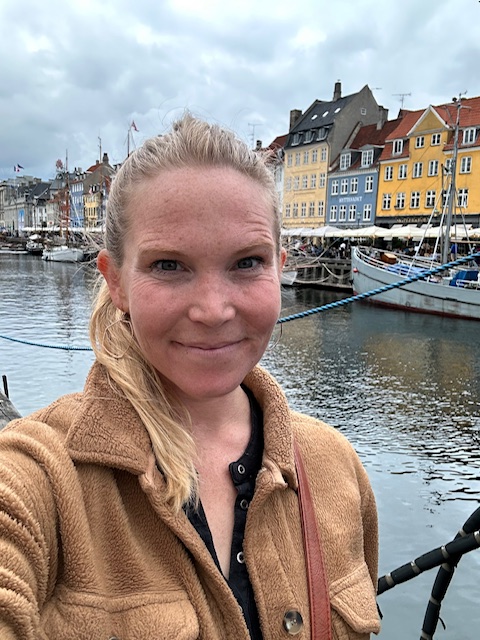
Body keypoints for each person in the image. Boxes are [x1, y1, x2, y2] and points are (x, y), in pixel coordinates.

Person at [0, 115, 380, 639]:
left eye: (247, 262)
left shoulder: (334, 467)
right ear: (117, 282)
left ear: (279, 266)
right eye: (169, 266)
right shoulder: (40, 474)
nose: (213, 310)